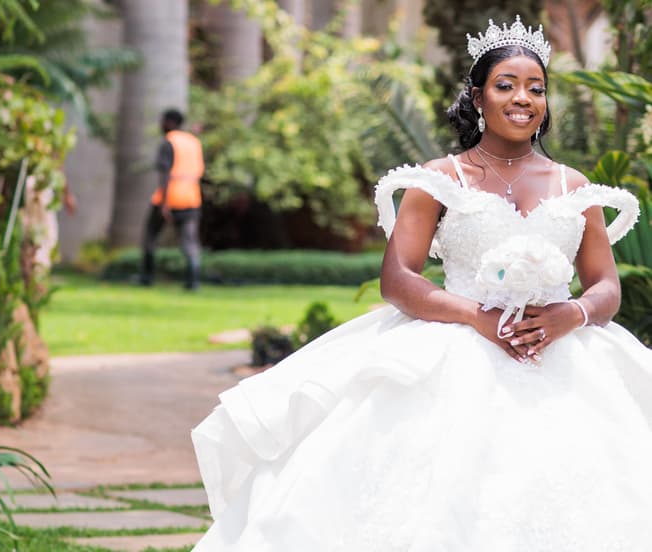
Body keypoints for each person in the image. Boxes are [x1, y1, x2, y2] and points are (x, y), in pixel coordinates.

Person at [190, 15, 652, 551]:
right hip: (458, 344)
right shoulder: (442, 179)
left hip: (564, 352)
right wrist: (477, 318)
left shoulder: (573, 185)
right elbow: (398, 278)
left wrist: (568, 314)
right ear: (478, 98)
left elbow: (604, 287)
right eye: (506, 85)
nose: (523, 98)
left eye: (536, 88)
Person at [140, 108, 205, 290]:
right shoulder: (194, 142)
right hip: (192, 196)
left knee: (150, 236)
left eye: (162, 121)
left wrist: (164, 203)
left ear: (169, 122)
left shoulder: (169, 142)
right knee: (190, 241)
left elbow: (166, 173)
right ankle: (193, 281)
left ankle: (147, 277)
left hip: (170, 195)